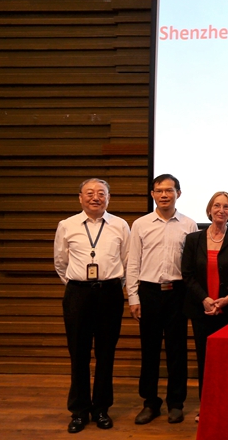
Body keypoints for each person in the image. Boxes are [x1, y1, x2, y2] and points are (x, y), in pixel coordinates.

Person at [54, 178, 130, 433]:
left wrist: (110, 284)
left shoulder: (120, 225)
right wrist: (79, 284)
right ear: (80, 197)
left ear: (109, 198)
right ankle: (79, 411)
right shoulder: (67, 225)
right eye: (89, 193)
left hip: (110, 293)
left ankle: (101, 409)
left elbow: (127, 260)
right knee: (78, 354)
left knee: (106, 354)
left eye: (101, 193)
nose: (95, 197)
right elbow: (60, 262)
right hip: (78, 293)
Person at [126, 174, 197, 425]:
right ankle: (150, 402)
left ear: (179, 193)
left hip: (178, 292)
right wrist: (133, 297)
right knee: (150, 350)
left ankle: (175, 403)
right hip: (149, 293)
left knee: (177, 350)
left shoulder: (189, 224)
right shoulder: (140, 224)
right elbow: (133, 262)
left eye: (169, 190)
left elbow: (192, 266)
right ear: (152, 194)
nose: (164, 195)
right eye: (159, 190)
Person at [181, 191, 228, 423]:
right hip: (202, 309)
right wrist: (205, 299)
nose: (221, 210)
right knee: (205, 360)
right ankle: (206, 407)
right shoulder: (193, 239)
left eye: (226, 207)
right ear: (209, 210)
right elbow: (187, 275)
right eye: (217, 205)